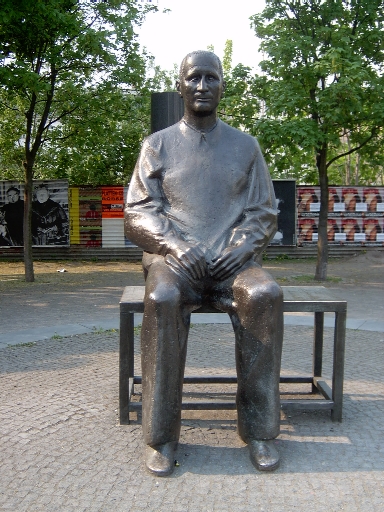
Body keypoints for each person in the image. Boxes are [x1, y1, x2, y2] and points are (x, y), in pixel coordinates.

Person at [125, 51, 283, 476]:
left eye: (210, 78)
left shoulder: (246, 146)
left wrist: (240, 245)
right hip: (176, 262)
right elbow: (138, 212)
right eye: (193, 77)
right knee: (161, 297)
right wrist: (175, 245)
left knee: (265, 293)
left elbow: (264, 211)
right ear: (179, 85)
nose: (202, 86)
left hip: (234, 261)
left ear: (221, 86)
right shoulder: (157, 145)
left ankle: (260, 430)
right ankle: (161, 436)